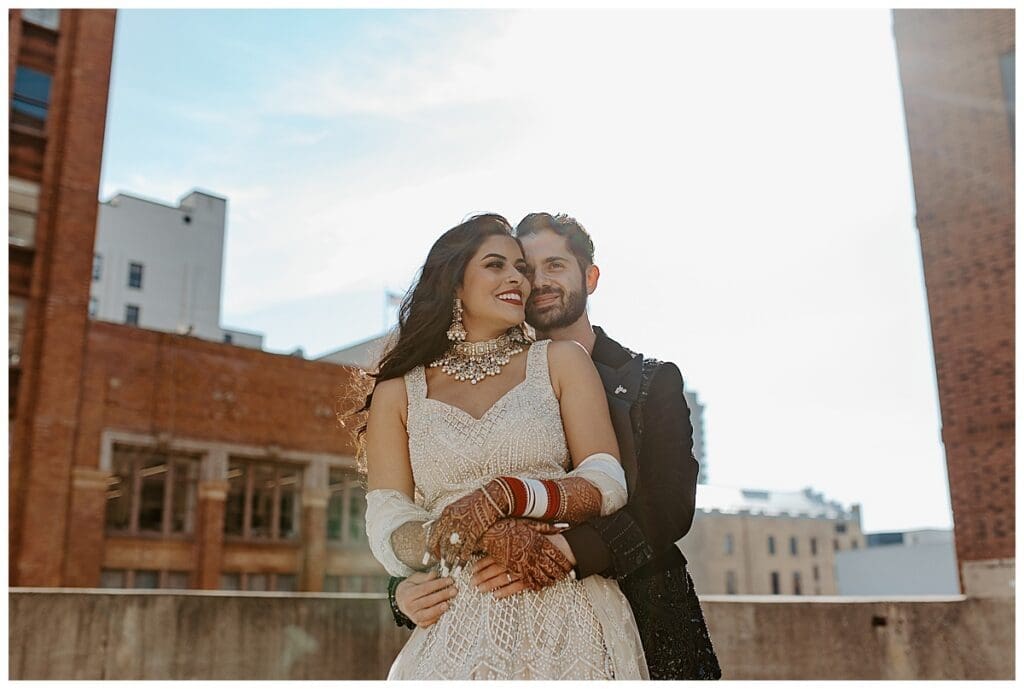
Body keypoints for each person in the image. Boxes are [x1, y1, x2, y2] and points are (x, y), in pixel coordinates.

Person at [392, 212, 722, 680]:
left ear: (589, 277)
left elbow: (669, 506)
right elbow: (436, 502)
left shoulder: (651, 381)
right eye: (527, 269)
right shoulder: (462, 382)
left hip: (644, 614)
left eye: (556, 266)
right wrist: (401, 589)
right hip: (495, 633)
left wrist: (567, 551)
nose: (538, 281)